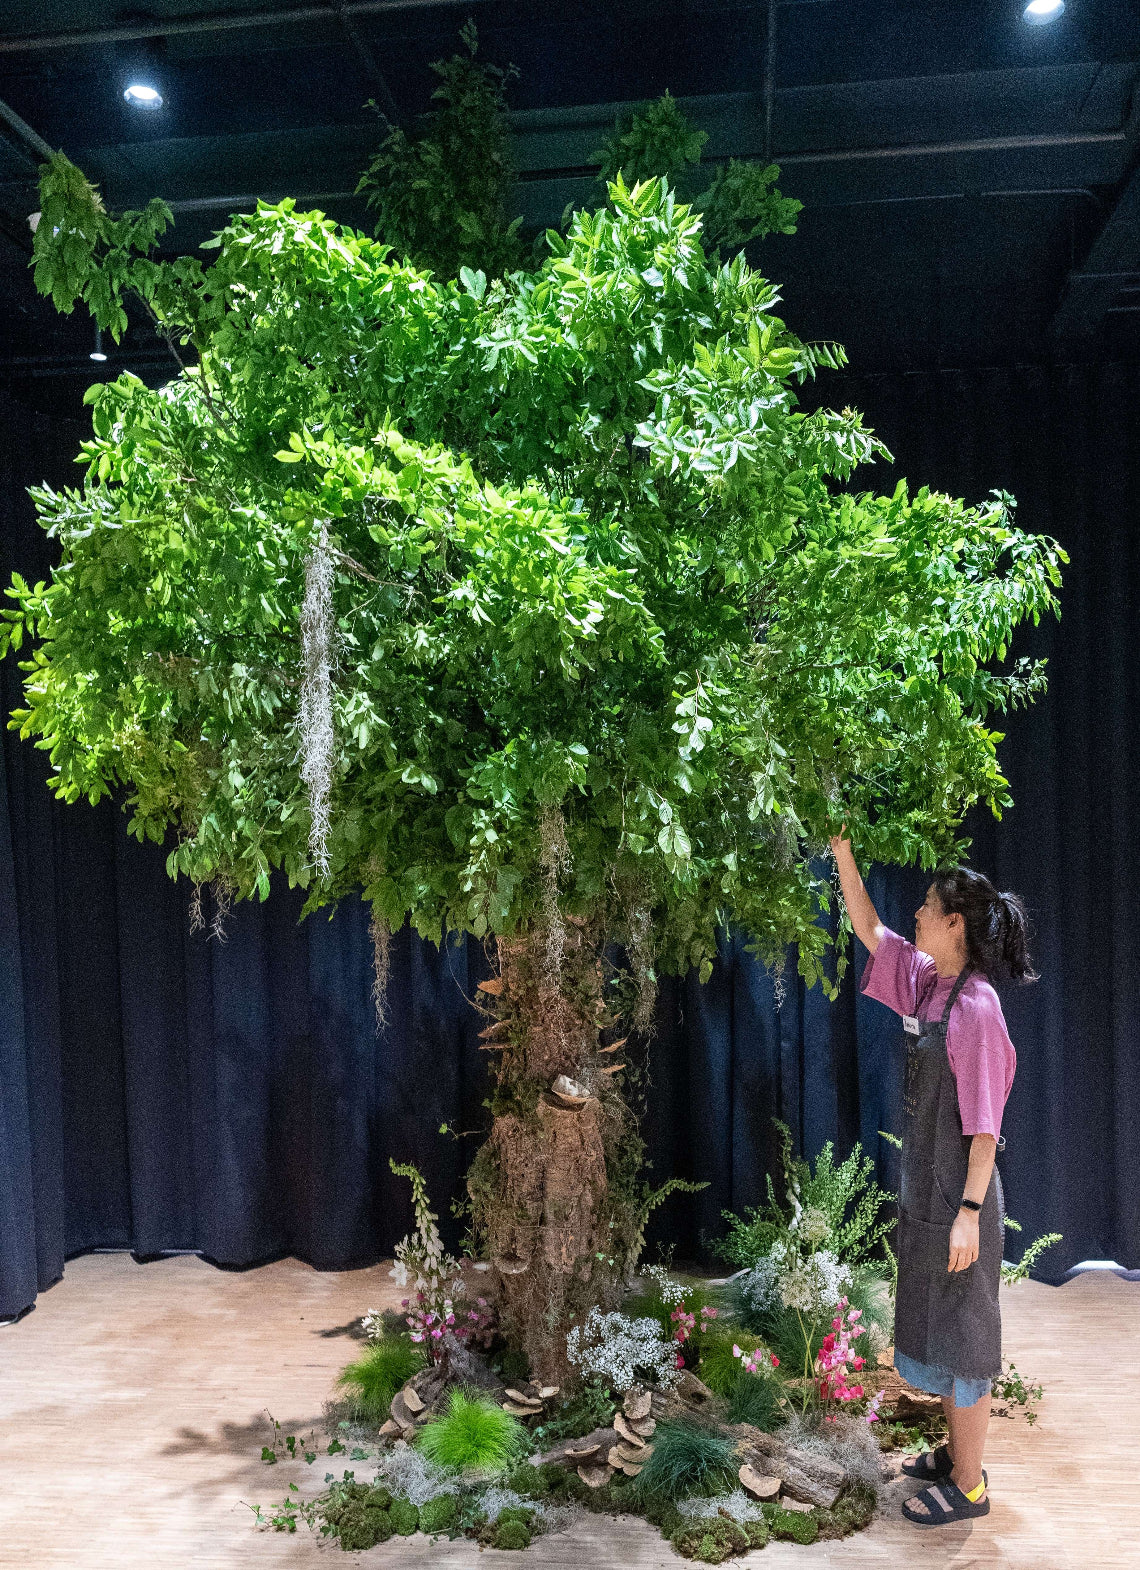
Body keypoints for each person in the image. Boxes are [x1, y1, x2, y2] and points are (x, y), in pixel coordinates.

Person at [830, 832, 1035, 1527]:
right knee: (938, 1329)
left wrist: (970, 1211)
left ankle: (971, 1488)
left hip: (961, 1195)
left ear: (955, 924)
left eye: (926, 907)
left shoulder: (975, 1009)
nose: (914, 913)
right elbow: (867, 926)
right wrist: (843, 848)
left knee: (966, 1339)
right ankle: (955, 1456)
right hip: (931, 1189)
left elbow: (984, 1126)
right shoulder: (927, 983)